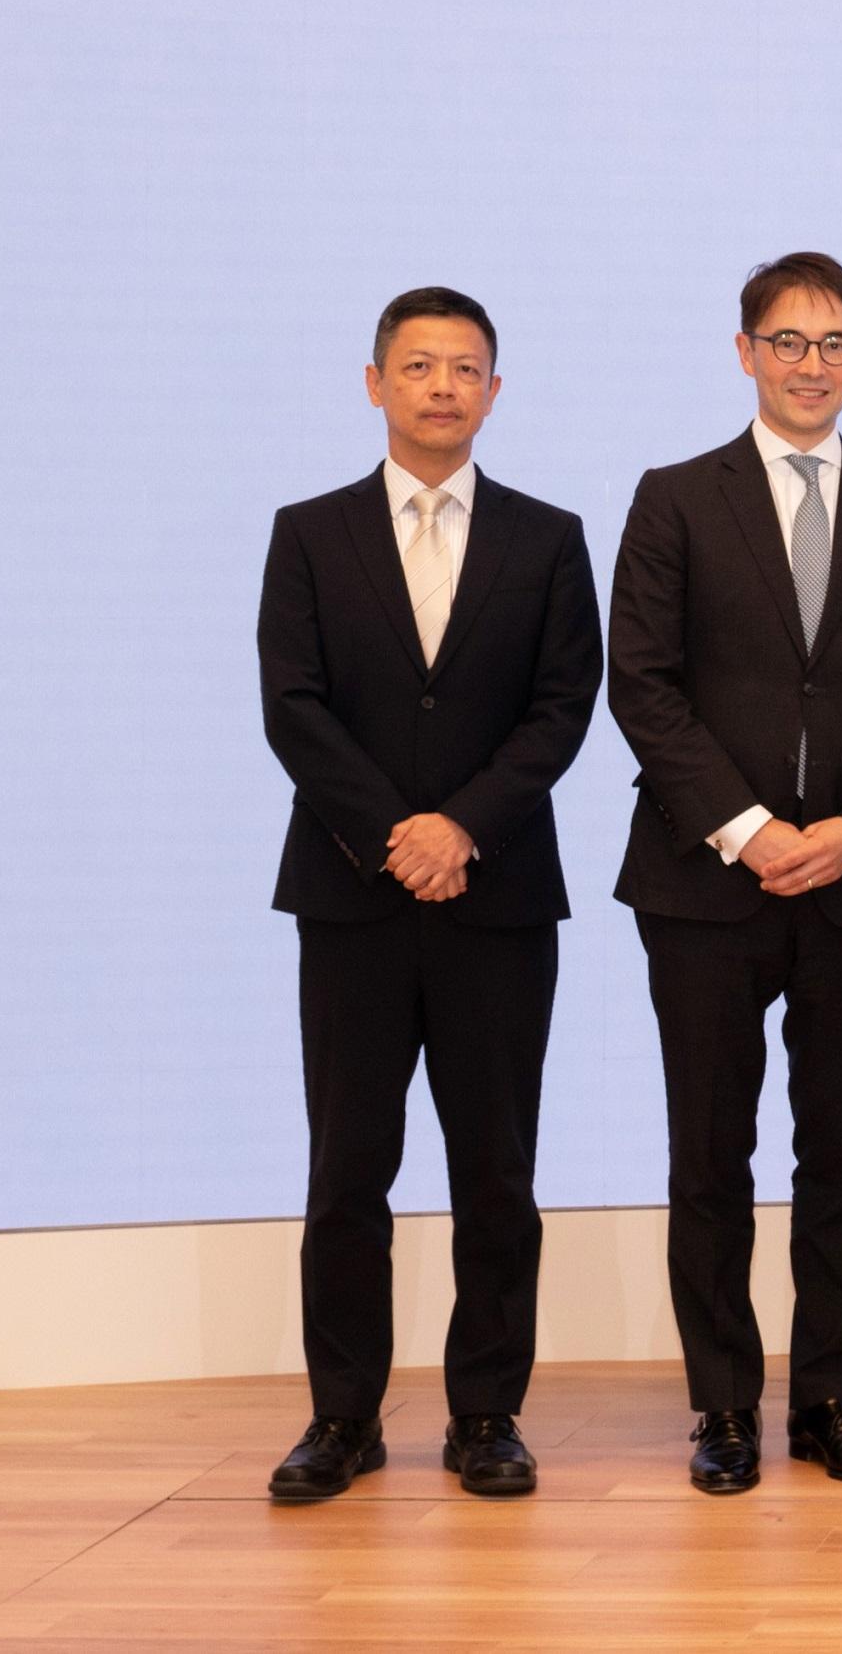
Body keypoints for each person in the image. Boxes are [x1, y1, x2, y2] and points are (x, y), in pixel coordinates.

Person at [605, 253, 842, 1495]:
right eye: (790, 340)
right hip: (705, 884)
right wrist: (747, 826)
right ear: (744, 349)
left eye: (837, 341)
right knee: (710, 1151)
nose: (813, 364)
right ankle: (722, 1406)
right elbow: (638, 681)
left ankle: (832, 1397)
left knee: (840, 1154)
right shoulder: (675, 496)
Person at [255, 289, 603, 1504]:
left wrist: (463, 826)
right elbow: (292, 705)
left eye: (466, 368)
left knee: (495, 1170)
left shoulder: (549, 536)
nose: (443, 385)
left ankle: (486, 1413)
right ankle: (341, 1417)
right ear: (375, 383)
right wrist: (393, 834)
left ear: (495, 392)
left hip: (498, 896)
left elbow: (565, 704)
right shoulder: (309, 531)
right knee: (347, 1167)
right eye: (419, 365)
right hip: (352, 899)